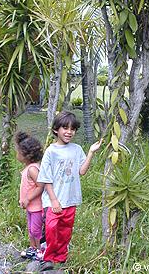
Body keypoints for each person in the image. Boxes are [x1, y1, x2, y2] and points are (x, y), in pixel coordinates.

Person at [37, 111, 103, 271]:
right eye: (65, 128)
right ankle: (48, 258)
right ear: (56, 130)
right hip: (54, 199)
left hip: (70, 199)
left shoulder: (77, 149)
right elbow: (46, 178)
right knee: (52, 228)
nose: (69, 132)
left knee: (66, 229)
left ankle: (61, 256)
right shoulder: (51, 151)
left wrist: (91, 152)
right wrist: (53, 200)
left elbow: (81, 171)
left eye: (72, 129)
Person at [15, 131, 44, 261]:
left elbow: (40, 186)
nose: (17, 154)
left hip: (37, 206)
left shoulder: (33, 169)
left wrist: (27, 198)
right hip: (30, 207)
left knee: (36, 230)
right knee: (31, 229)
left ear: (27, 155)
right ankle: (33, 248)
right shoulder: (28, 167)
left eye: (18, 152)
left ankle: (39, 251)